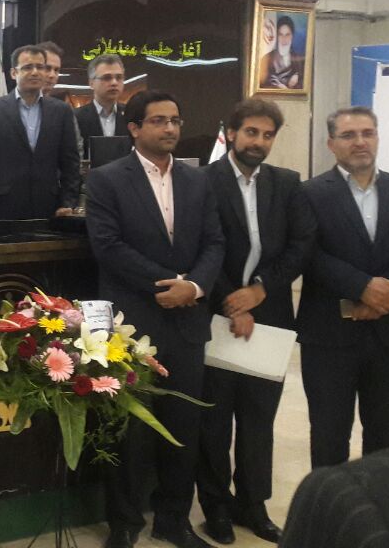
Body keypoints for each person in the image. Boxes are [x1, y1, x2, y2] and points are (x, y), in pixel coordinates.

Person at [84, 90, 225, 548]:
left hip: (188, 320)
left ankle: (173, 520)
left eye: (175, 120)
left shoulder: (197, 180)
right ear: (134, 128)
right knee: (129, 430)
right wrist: (169, 284)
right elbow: (108, 247)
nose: (170, 128)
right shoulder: (106, 180)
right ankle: (124, 523)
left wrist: (195, 287)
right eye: (159, 120)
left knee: (183, 426)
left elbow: (215, 242)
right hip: (133, 321)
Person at [196, 99, 316, 545]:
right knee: (214, 420)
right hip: (216, 314)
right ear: (231, 133)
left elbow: (302, 244)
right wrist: (234, 301)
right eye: (251, 132)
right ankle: (215, 506)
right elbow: (201, 245)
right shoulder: (202, 181)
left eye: (267, 135)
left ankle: (253, 505)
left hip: (271, 317)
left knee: (259, 419)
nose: (259, 142)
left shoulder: (287, 183)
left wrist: (260, 291)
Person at [297, 107, 389, 469]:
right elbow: (307, 253)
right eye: (349, 135)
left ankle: (379, 504)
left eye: (367, 133)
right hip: (328, 337)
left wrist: (387, 294)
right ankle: (328, 505)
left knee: (386, 440)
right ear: (331, 144)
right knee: (329, 438)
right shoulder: (308, 194)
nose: (360, 142)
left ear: (377, 138)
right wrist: (362, 286)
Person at [0, 44, 80, 219]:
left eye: (40, 67)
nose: (35, 72)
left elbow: (70, 163)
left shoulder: (61, 111)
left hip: (49, 206)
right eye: (27, 67)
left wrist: (68, 202)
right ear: (13, 73)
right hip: (1, 208)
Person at [75, 53, 130, 153]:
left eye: (119, 77)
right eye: (107, 78)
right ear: (91, 83)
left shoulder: (131, 114)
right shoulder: (76, 117)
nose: (114, 82)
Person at [257, 15, 304, 90]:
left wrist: (297, 77)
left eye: (287, 35)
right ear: (277, 36)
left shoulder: (299, 60)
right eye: (281, 34)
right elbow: (261, 83)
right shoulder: (266, 59)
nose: (284, 39)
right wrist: (277, 85)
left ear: (292, 36)